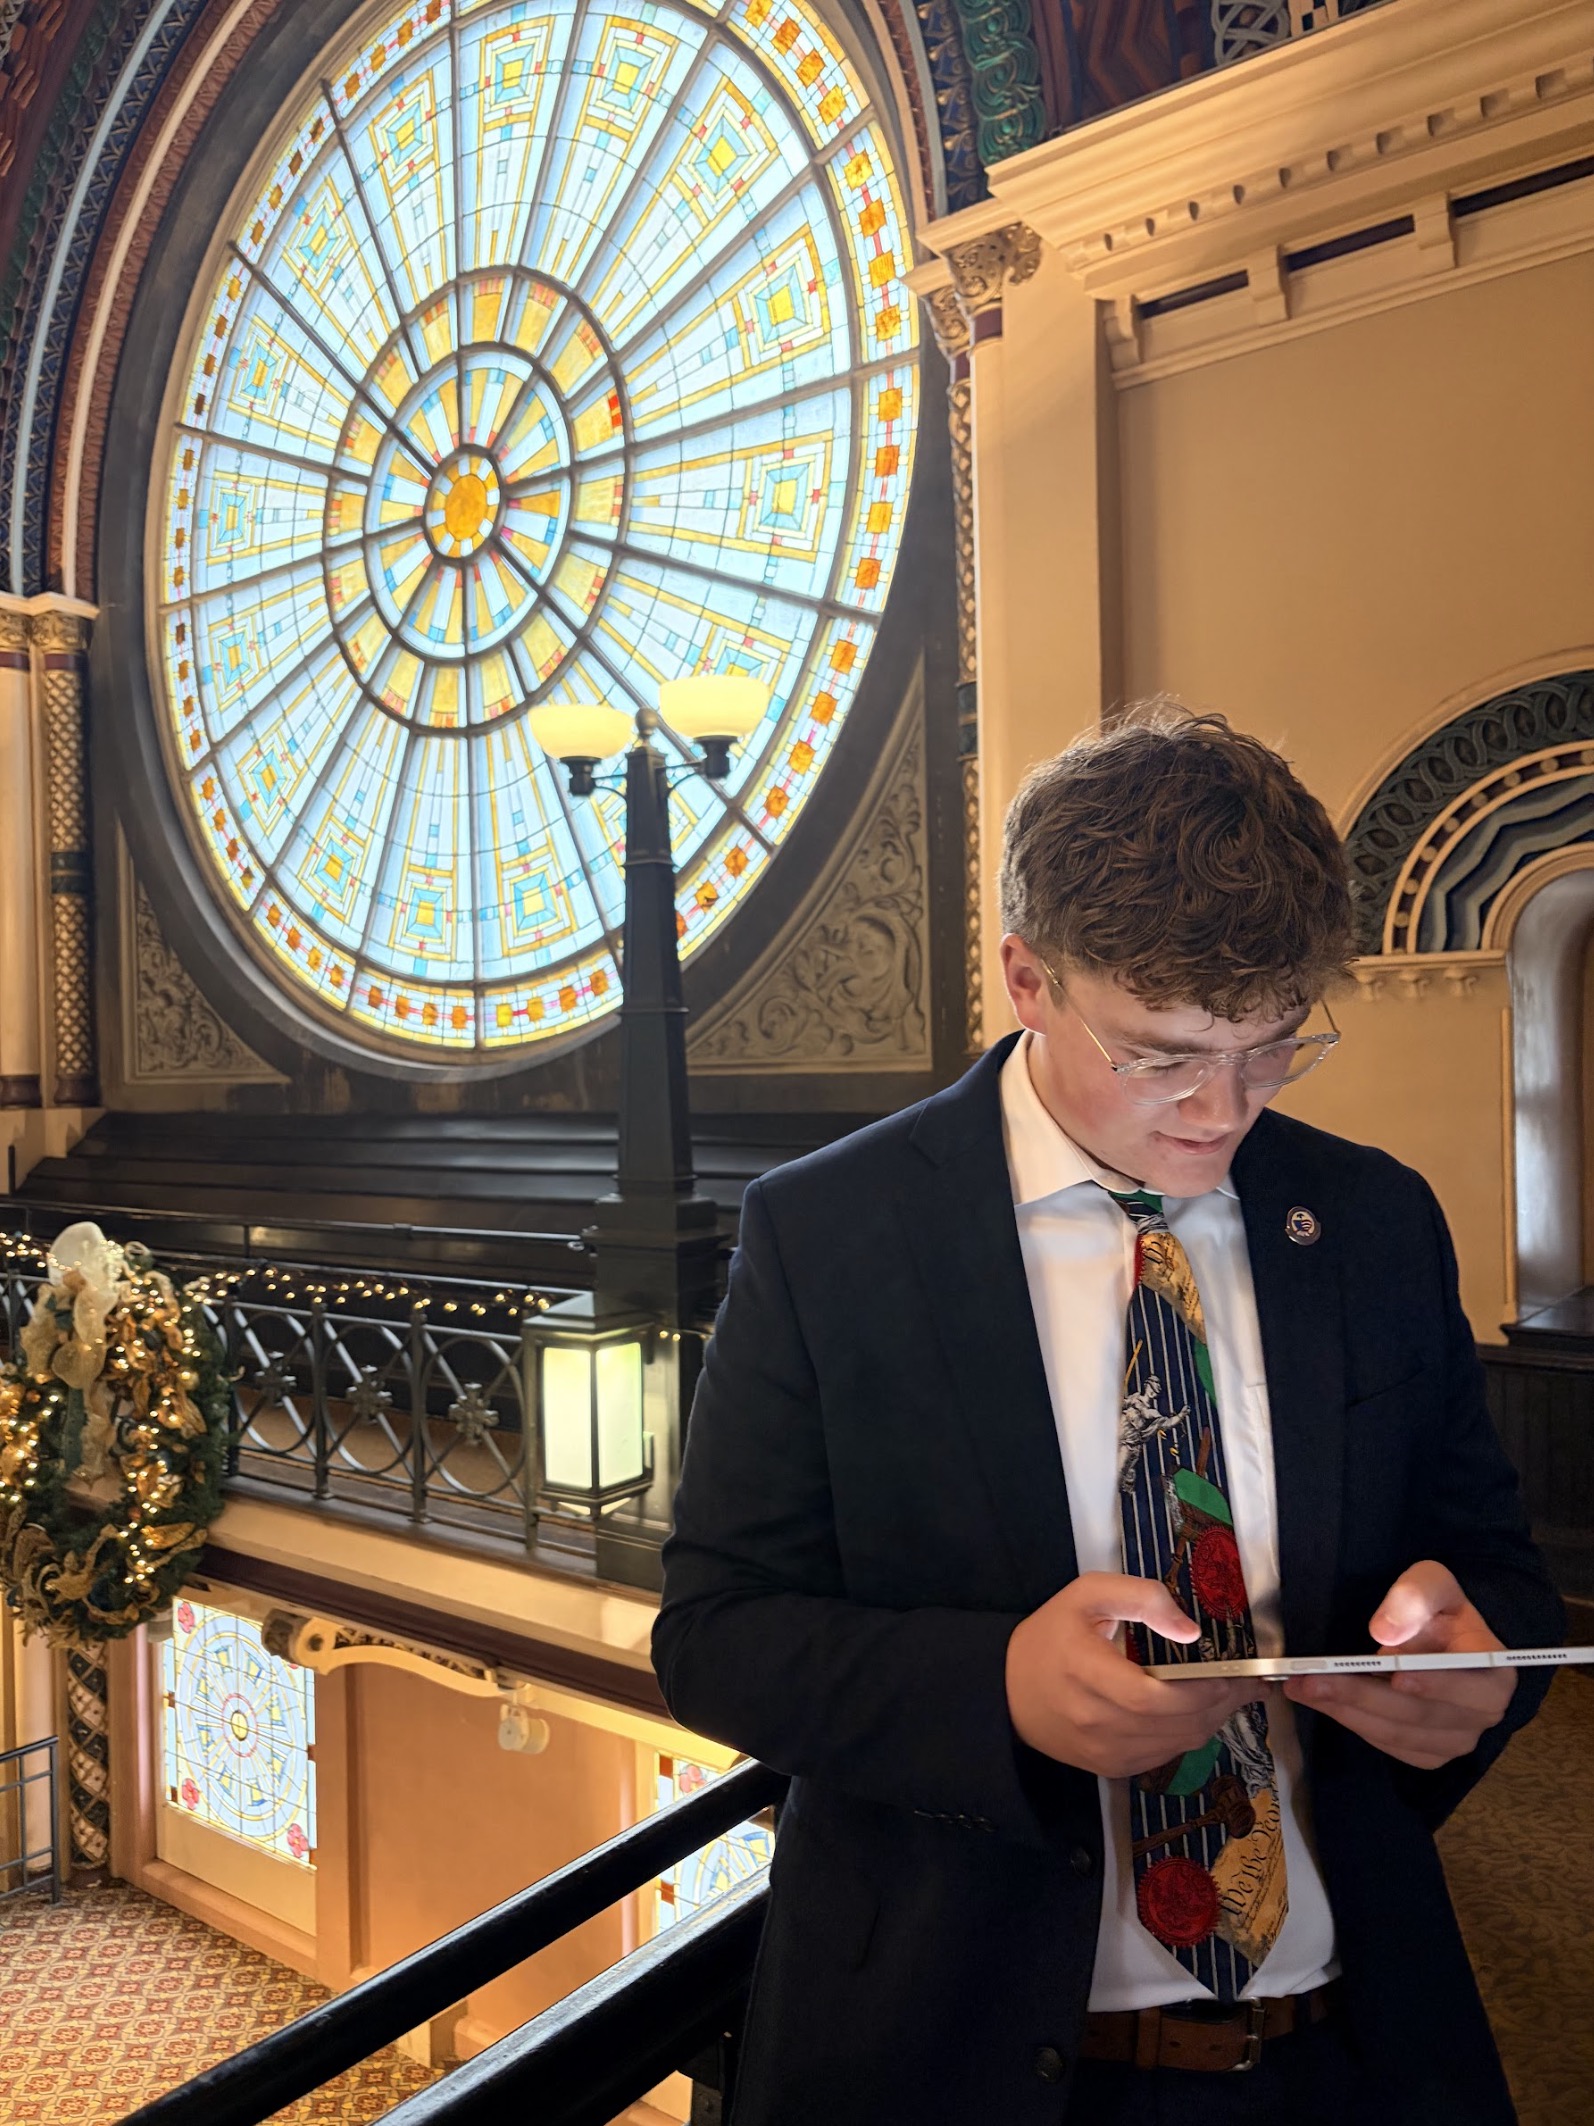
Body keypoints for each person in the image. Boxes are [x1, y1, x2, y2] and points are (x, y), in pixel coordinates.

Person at [652, 709, 1561, 2126]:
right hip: (960, 2061)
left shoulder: (1374, 1218)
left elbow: (1490, 1560)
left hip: (1349, 2046)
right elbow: (715, 1635)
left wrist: (1474, 1664)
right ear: (1027, 976)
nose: (1220, 1109)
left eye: (1272, 1048)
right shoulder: (830, 1233)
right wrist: (998, 1691)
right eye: (1160, 1053)